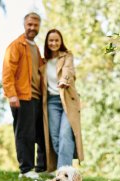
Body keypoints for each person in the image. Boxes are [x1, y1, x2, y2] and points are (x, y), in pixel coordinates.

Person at [2, 12, 46, 179]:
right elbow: (7, 73)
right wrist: (11, 95)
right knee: (24, 134)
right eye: (29, 24)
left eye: (35, 25)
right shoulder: (16, 46)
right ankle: (26, 169)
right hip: (22, 97)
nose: (32, 28)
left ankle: (41, 167)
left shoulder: (35, 47)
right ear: (24, 25)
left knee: (40, 133)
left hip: (36, 97)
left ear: (39, 27)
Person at [40, 29, 84, 172]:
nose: (54, 43)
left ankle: (62, 172)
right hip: (51, 102)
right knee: (55, 139)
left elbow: (69, 70)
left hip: (67, 100)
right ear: (47, 43)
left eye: (56, 40)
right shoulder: (43, 62)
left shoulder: (67, 56)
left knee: (65, 134)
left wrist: (64, 80)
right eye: (51, 40)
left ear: (61, 42)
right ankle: (66, 171)